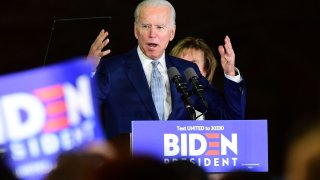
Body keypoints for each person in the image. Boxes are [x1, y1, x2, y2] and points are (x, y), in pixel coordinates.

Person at [89, 0, 246, 139]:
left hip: (174, 169)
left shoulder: (187, 71)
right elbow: (85, 113)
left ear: (172, 33)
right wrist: (87, 72)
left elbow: (231, 118)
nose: (152, 34)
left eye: (160, 27)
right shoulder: (111, 69)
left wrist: (230, 73)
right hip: (129, 166)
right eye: (146, 26)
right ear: (136, 31)